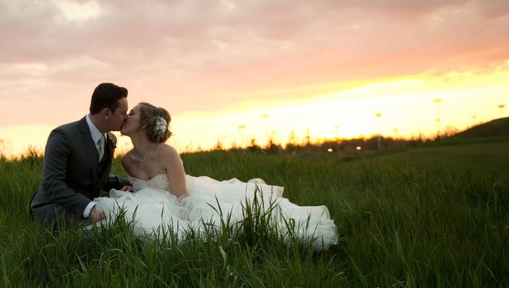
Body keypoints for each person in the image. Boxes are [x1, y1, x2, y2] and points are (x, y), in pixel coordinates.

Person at [93, 102, 339, 250]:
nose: (125, 116)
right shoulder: (127, 160)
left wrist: (190, 221)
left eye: (132, 113)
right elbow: (147, 188)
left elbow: (181, 195)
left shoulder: (167, 153)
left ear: (145, 124)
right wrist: (135, 189)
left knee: (226, 222)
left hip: (183, 199)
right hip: (154, 200)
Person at [30, 83, 133, 228]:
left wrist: (134, 185)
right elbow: (52, 184)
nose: (126, 117)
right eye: (123, 112)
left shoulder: (110, 139)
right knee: (107, 230)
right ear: (106, 113)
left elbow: (94, 176)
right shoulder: (63, 136)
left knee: (127, 222)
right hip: (55, 208)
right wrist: (90, 208)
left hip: (88, 205)